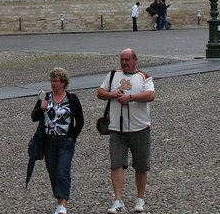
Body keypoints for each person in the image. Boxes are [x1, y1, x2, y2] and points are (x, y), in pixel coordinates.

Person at [98, 48, 155, 214]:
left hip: (140, 128)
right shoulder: (113, 75)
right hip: (117, 128)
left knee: (141, 165)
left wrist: (130, 97)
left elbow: (150, 95)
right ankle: (118, 200)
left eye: (127, 60)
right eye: (122, 59)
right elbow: (100, 93)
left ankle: (140, 199)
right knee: (116, 164)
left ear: (135, 60)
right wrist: (112, 94)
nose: (123, 62)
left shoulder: (144, 77)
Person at [31, 67, 84, 214]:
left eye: (56, 81)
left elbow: (80, 121)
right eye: (51, 81)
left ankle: (63, 204)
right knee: (53, 173)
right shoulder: (45, 96)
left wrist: (72, 137)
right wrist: (41, 109)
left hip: (65, 142)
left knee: (62, 171)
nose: (53, 84)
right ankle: (59, 200)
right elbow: (33, 117)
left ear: (63, 83)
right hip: (49, 142)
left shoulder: (72, 98)